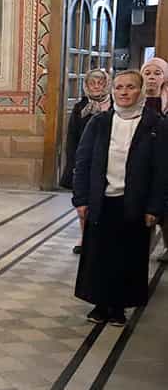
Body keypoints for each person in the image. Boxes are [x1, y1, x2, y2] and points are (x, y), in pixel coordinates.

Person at [73, 70, 166, 327]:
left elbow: (161, 171)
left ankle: (118, 307)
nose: (124, 92)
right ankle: (100, 304)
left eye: (130, 87)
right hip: (102, 201)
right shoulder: (99, 122)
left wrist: (155, 207)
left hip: (134, 203)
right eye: (119, 87)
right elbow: (83, 162)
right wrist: (81, 199)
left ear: (141, 90)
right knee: (100, 255)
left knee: (128, 256)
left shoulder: (155, 124)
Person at [60, 69, 111, 255]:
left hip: (109, 160)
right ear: (87, 86)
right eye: (92, 83)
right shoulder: (80, 107)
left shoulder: (114, 104)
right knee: (84, 201)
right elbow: (72, 137)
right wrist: (72, 164)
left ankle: (103, 238)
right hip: (86, 160)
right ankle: (84, 237)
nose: (96, 87)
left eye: (100, 83)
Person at [140, 57, 168, 262]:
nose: (151, 77)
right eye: (147, 73)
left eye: (157, 73)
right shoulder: (134, 99)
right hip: (141, 165)